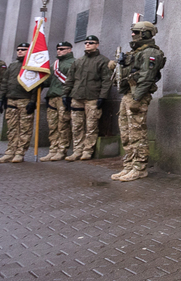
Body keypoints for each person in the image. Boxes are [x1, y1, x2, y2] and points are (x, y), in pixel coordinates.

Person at [111, 21, 166, 182]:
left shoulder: (151, 53)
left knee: (137, 133)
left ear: (145, 33)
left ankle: (139, 168)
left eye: (136, 32)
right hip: (128, 93)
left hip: (137, 95)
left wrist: (137, 99)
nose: (132, 34)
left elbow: (147, 78)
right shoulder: (136, 52)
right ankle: (129, 165)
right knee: (126, 133)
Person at [62, 35, 112, 161]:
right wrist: (65, 94)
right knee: (77, 126)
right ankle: (77, 150)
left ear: (97, 45)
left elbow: (107, 81)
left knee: (91, 126)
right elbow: (70, 79)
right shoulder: (78, 61)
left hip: (93, 98)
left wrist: (102, 97)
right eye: (86, 43)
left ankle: (87, 150)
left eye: (91, 42)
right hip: (77, 97)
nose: (88, 44)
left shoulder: (103, 61)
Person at [0, 43, 35, 163]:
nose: (20, 51)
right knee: (12, 128)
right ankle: (10, 152)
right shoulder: (12, 65)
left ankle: (20, 152)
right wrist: (1, 99)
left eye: (23, 50)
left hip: (25, 100)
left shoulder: (32, 66)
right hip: (11, 99)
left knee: (24, 129)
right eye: (18, 49)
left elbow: (36, 86)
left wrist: (33, 101)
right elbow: (4, 83)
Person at [39, 41, 74, 161]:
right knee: (52, 125)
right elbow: (48, 81)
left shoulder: (73, 63)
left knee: (63, 125)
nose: (59, 51)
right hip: (52, 97)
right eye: (58, 49)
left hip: (63, 96)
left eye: (62, 49)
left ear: (69, 50)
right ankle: (53, 149)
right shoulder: (55, 64)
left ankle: (62, 150)